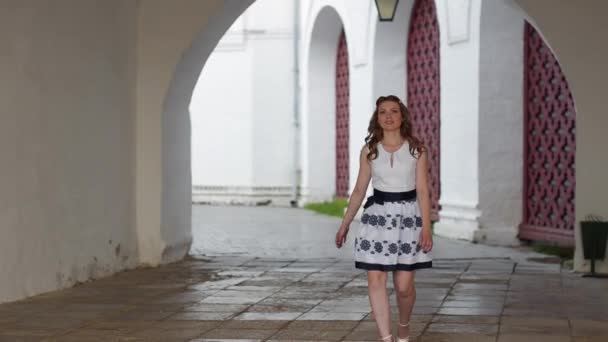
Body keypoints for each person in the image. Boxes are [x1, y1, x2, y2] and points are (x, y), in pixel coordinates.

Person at [335, 95, 433, 342]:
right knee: (376, 279)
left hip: (408, 222)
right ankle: (386, 338)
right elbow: (359, 190)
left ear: (402, 117)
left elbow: (422, 190)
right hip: (376, 221)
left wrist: (427, 227)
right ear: (376, 118)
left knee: (403, 287)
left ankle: (403, 326)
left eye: (394, 111)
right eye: (382, 112)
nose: (388, 116)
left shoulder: (417, 150)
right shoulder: (369, 151)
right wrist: (345, 223)